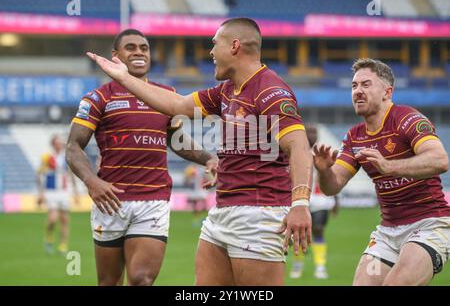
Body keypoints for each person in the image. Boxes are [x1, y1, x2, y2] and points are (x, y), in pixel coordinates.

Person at [87, 18, 313, 286]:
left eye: (214, 45)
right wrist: (124, 77)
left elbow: (299, 146)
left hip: (259, 214)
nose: (211, 53)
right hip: (222, 212)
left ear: (234, 46)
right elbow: (177, 104)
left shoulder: (270, 91)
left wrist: (300, 203)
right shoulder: (225, 91)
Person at [66, 29, 217, 286]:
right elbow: (73, 146)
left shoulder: (165, 95)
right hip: (111, 201)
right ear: (116, 55)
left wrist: (209, 159)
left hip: (153, 200)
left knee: (142, 279)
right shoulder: (99, 97)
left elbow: (176, 139)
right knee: (108, 282)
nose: (138, 52)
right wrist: (92, 181)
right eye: (131, 47)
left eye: (144, 48)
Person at [313, 58, 450, 286]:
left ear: (387, 92)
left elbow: (440, 159)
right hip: (387, 233)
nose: (358, 91)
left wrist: (389, 166)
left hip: (429, 225)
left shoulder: (407, 119)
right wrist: (324, 171)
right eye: (354, 86)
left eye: (366, 85)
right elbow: (332, 186)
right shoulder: (355, 136)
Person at [290, 124, 339, 280]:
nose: (312, 135)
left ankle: (320, 267)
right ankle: (298, 266)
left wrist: (336, 200)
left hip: (321, 202)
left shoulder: (322, 154)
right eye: (309, 132)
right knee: (298, 234)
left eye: (314, 132)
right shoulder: (297, 154)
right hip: (300, 200)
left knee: (318, 230)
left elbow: (330, 177)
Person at [36, 134, 79, 255]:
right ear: (53, 144)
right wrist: (40, 193)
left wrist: (76, 193)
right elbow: (39, 174)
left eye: (61, 142)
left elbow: (71, 174)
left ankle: (63, 245)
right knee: (53, 219)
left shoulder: (66, 157)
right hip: (51, 191)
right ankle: (49, 237)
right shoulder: (47, 157)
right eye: (57, 142)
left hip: (64, 191)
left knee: (65, 219)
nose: (60, 144)